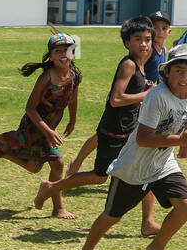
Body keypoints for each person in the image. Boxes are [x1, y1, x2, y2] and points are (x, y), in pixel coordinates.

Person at [74, 43, 187, 250]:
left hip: (163, 163)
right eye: (179, 71)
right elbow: (143, 139)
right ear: (167, 72)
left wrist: (185, 142)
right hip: (134, 166)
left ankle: (157, 246)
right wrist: (180, 139)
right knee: (112, 217)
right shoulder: (156, 97)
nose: (185, 77)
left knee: (186, 206)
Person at [35, 17, 154, 217]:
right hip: (116, 132)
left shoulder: (140, 64)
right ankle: (51, 188)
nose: (143, 43)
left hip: (129, 128)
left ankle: (148, 221)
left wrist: (145, 90)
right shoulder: (129, 65)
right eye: (138, 39)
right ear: (127, 42)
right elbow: (116, 99)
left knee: (146, 170)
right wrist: (149, 94)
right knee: (100, 176)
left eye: (147, 39)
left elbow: (131, 95)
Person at [0, 33, 81, 219]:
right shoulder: (45, 78)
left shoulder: (74, 76)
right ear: (50, 56)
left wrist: (72, 120)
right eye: (58, 51)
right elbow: (30, 108)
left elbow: (73, 99)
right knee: (57, 163)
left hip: (49, 127)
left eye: (67, 50)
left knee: (34, 167)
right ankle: (58, 208)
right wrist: (48, 131)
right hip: (35, 126)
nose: (63, 54)